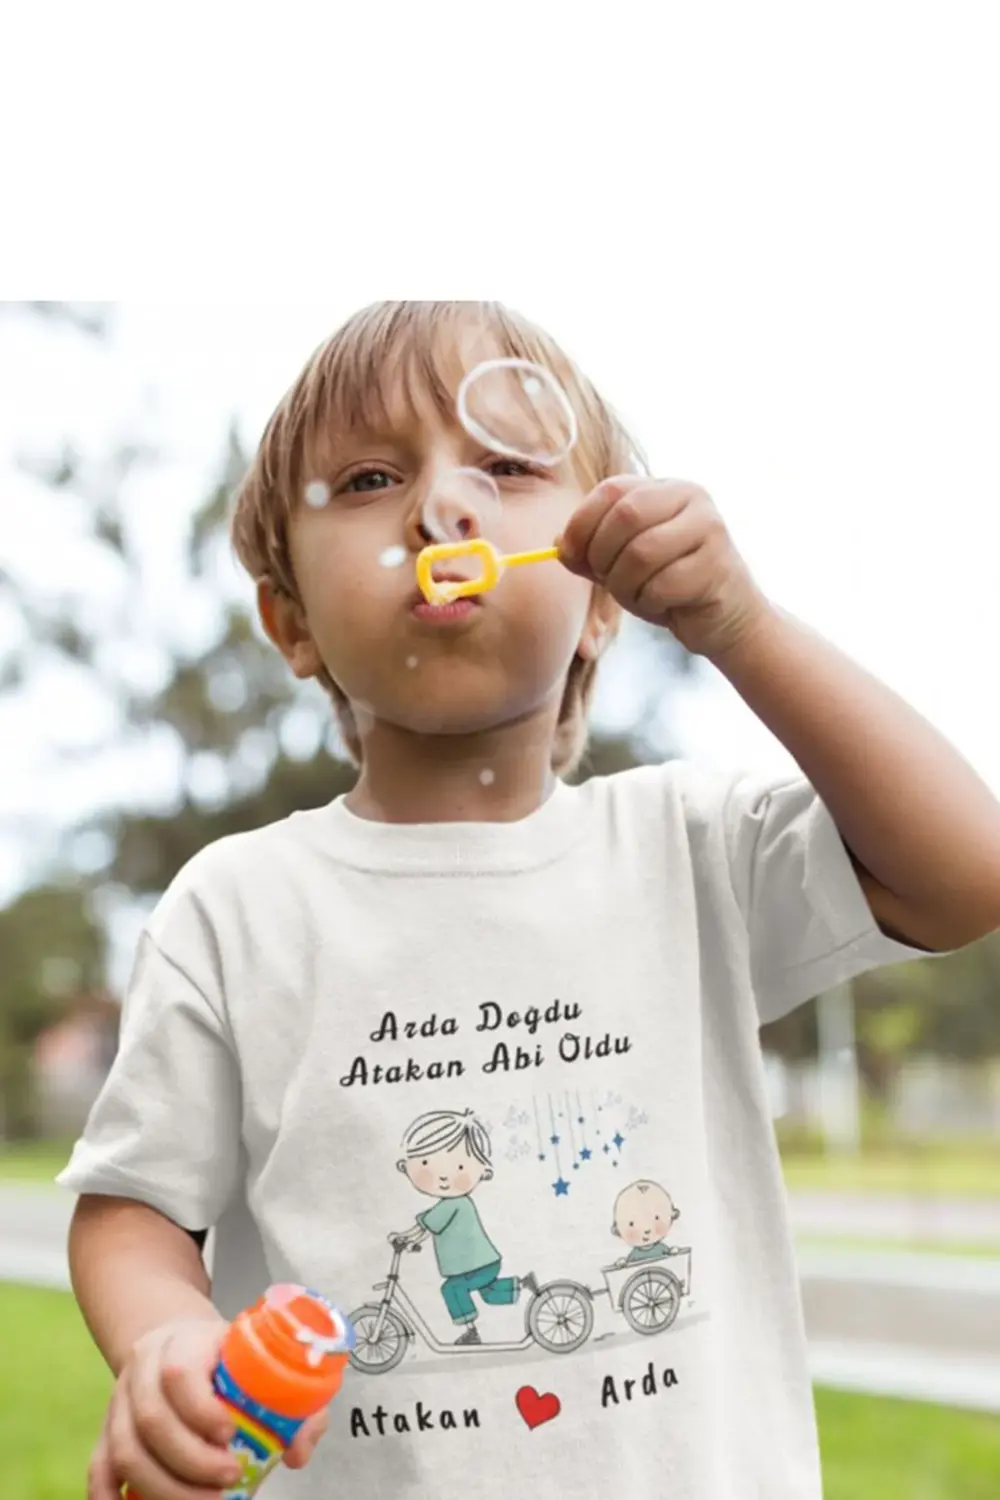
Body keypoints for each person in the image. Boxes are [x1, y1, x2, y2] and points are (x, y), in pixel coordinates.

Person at [59, 300, 1000, 1500]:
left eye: (506, 467)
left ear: (604, 593)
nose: (441, 508)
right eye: (366, 477)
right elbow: (136, 1206)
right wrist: (163, 1341)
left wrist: (743, 631)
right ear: (289, 620)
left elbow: (965, 875)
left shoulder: (688, 848)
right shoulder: (239, 909)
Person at [393, 1107, 538, 1344]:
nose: (442, 1176)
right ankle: (523, 1284)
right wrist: (406, 1237)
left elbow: (426, 1229)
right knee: (489, 1293)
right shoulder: (451, 1203)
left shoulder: (454, 1203)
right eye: (427, 1162)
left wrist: (406, 1238)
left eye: (459, 1167)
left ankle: (471, 1333)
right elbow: (426, 1224)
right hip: (485, 1264)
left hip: (478, 1266)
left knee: (452, 1290)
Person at [610, 1178, 681, 1266]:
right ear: (618, 1230)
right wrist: (623, 1263)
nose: (646, 1229)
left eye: (656, 1218)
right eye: (632, 1224)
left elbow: (670, 1255)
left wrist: (672, 1252)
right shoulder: (635, 1255)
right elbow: (629, 1266)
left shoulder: (661, 1248)